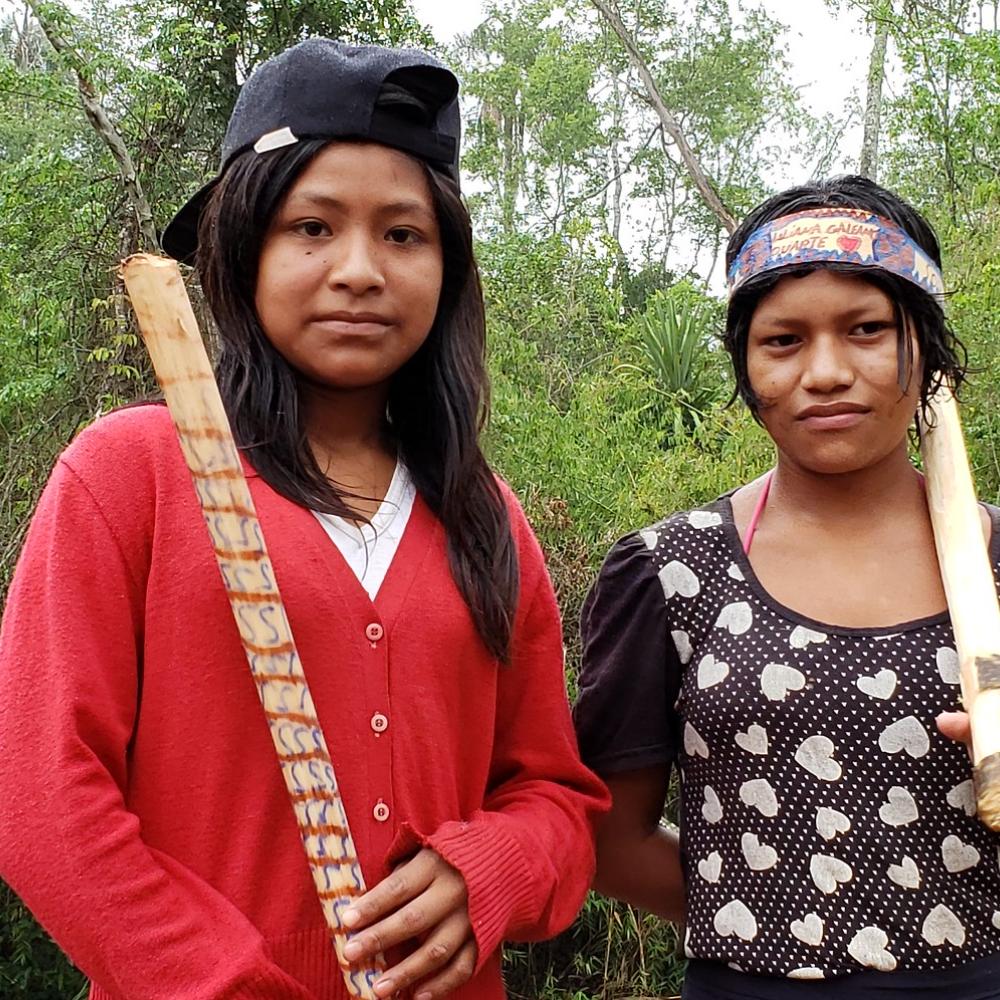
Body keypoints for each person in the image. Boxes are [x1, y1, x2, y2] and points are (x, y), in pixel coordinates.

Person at [0, 37, 607, 1000]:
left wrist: (490, 868)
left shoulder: (486, 517)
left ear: (446, 269)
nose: (360, 270)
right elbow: (40, 797)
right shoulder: (132, 477)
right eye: (311, 227)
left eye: (404, 235)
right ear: (241, 252)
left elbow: (557, 802)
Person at [574, 175, 1000, 999]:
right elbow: (606, 835)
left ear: (929, 352)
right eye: (783, 341)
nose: (827, 371)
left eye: (868, 329)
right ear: (742, 363)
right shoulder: (670, 573)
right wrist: (761, 914)